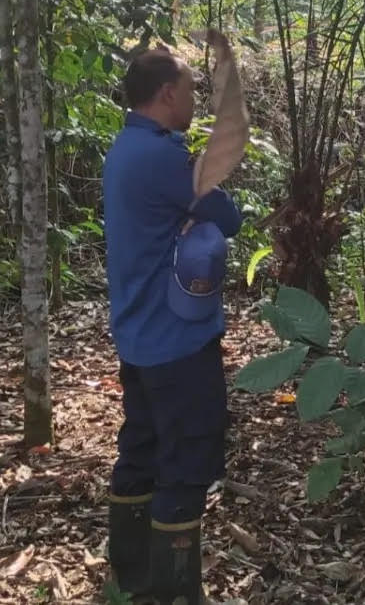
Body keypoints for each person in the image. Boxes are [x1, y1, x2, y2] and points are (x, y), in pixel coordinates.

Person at [102, 47, 243, 604]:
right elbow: (227, 217)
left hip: (138, 337)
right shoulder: (164, 159)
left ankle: (127, 580)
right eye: (188, 89)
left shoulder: (125, 148)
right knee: (185, 461)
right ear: (166, 94)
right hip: (176, 342)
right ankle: (175, 594)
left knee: (140, 450)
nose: (192, 99)